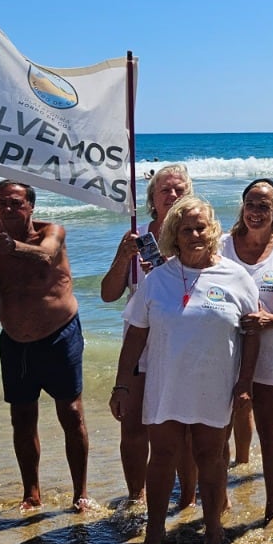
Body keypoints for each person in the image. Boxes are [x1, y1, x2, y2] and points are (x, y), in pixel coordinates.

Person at [108, 196, 259, 544]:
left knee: (211, 458)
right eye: (185, 229)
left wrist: (245, 383)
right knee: (162, 457)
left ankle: (213, 531)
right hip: (166, 385)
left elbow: (252, 333)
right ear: (173, 236)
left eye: (200, 227)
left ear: (213, 231)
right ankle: (154, 533)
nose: (193, 234)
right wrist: (122, 385)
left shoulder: (236, 277)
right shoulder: (158, 278)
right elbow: (136, 335)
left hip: (214, 384)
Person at [0, 180, 95, 512]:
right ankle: (31, 494)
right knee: (22, 417)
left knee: (72, 413)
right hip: (16, 342)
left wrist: (14, 247)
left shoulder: (53, 232)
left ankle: (81, 493)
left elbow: (47, 256)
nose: (9, 209)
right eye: (2, 203)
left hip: (60, 334)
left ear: (31, 206)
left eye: (17, 203)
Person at [100, 163, 193, 508]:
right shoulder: (137, 237)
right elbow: (108, 294)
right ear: (152, 198)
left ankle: (186, 498)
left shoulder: (197, 235)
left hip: (183, 345)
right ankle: (136, 495)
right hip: (140, 347)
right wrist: (124, 258)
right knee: (134, 425)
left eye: (179, 189)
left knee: (181, 428)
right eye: (165, 189)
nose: (172, 195)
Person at [222, 179, 273, 523]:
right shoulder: (220, 246)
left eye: (264, 206)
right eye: (250, 203)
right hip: (222, 354)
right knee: (215, 430)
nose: (255, 211)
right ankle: (218, 501)